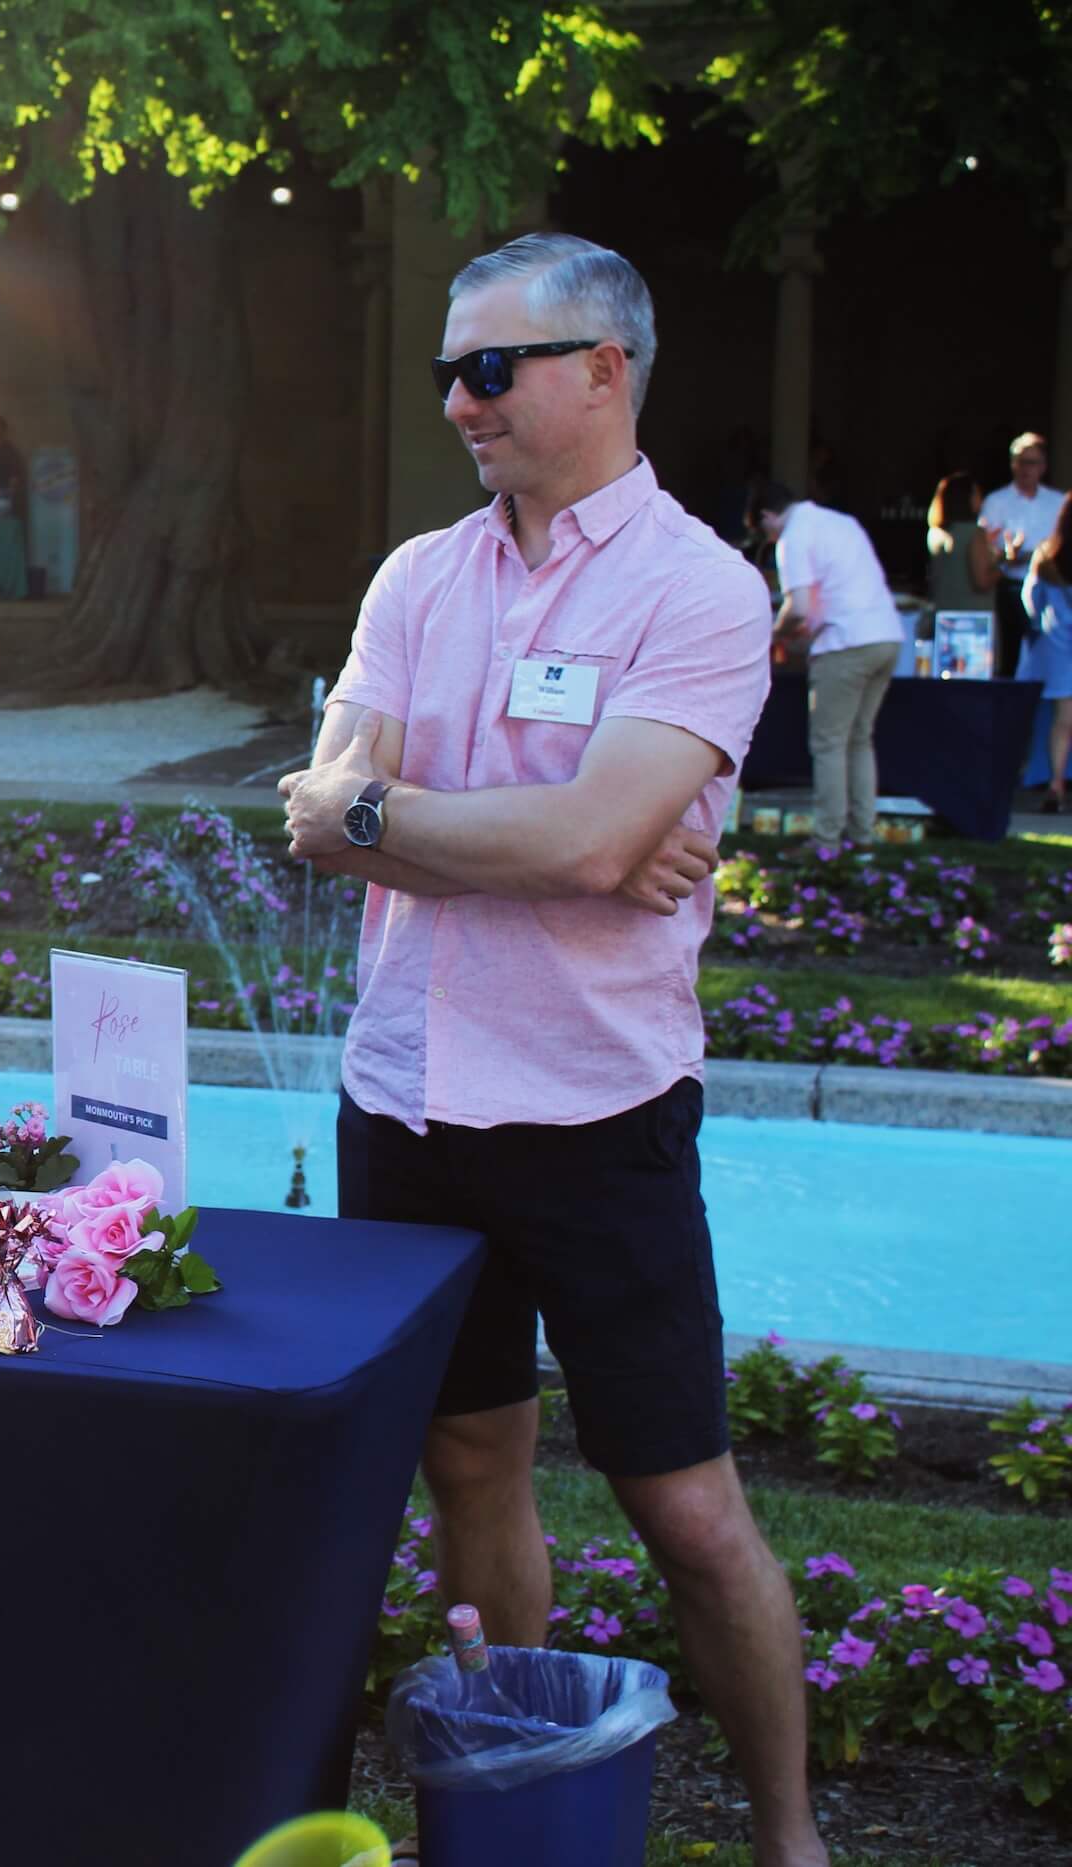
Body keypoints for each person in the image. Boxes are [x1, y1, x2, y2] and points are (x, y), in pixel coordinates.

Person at [279, 232, 824, 1867]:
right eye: (447, 370)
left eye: (490, 368)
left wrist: (434, 819)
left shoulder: (699, 591)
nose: (458, 401)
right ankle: (504, 1801)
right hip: (408, 1101)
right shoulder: (418, 578)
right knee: (468, 1466)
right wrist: (517, 827)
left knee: (684, 1505)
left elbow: (589, 843)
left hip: (597, 1111)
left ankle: (792, 1836)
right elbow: (321, 815)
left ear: (605, 369)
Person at [753, 482, 903, 844]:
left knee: (829, 742)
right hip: (886, 635)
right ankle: (863, 835)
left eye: (765, 532)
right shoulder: (841, 522)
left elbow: (799, 608)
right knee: (860, 739)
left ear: (767, 516)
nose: (770, 540)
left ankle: (827, 839)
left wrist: (770, 638)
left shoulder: (794, 537)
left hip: (844, 642)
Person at [981, 432, 1063, 681]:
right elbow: (983, 550)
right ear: (1012, 464)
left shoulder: (1057, 502)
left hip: (1049, 590)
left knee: (1048, 655)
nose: (1027, 469)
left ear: (1043, 467)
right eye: (1022, 461)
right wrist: (1007, 556)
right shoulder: (996, 502)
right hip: (1009, 586)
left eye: (1033, 462)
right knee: (1009, 657)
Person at [1020, 498, 1072, 812]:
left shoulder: (1046, 557)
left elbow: (1032, 603)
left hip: (1058, 649)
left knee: (1062, 722)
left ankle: (1056, 783)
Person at [924, 471, 998, 623]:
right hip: (972, 622)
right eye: (977, 494)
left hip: (944, 618)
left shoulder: (935, 533)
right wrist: (1006, 563)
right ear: (967, 498)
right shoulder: (974, 533)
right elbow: (982, 581)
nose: (981, 500)